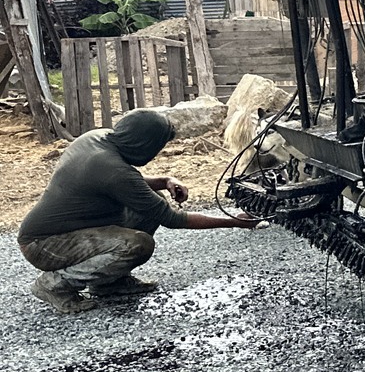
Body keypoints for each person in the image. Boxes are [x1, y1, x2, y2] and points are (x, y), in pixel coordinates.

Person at [17, 109, 256, 314]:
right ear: (145, 144)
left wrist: (165, 180)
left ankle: (109, 282)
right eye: (157, 147)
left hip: (65, 231)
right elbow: (172, 219)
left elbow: (126, 183)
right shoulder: (111, 169)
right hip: (44, 245)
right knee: (137, 244)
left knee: (152, 202)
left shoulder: (97, 139)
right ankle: (56, 285)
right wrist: (233, 221)